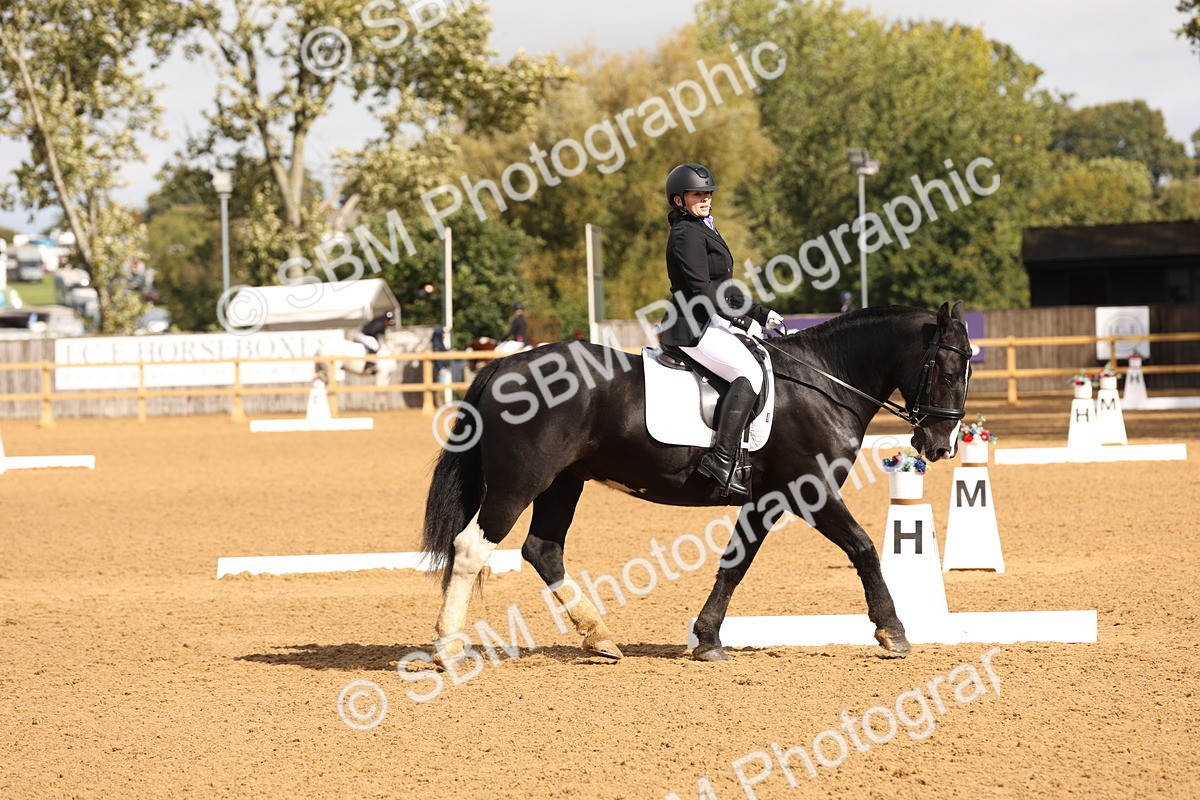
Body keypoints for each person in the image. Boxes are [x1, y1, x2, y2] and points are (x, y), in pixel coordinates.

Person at [659, 162, 784, 495]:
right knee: (749, 373)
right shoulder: (686, 234)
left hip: (708, 321)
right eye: (697, 195)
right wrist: (742, 320)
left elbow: (723, 288)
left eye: (708, 194)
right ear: (679, 200)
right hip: (691, 326)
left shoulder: (703, 228)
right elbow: (702, 289)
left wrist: (762, 314)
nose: (705, 199)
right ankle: (721, 459)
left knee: (757, 362)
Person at [358, 309, 396, 374]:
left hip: (367, 335)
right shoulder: (379, 323)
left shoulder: (381, 322)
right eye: (388, 319)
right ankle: (369, 365)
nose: (389, 321)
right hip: (364, 335)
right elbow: (372, 332)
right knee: (374, 346)